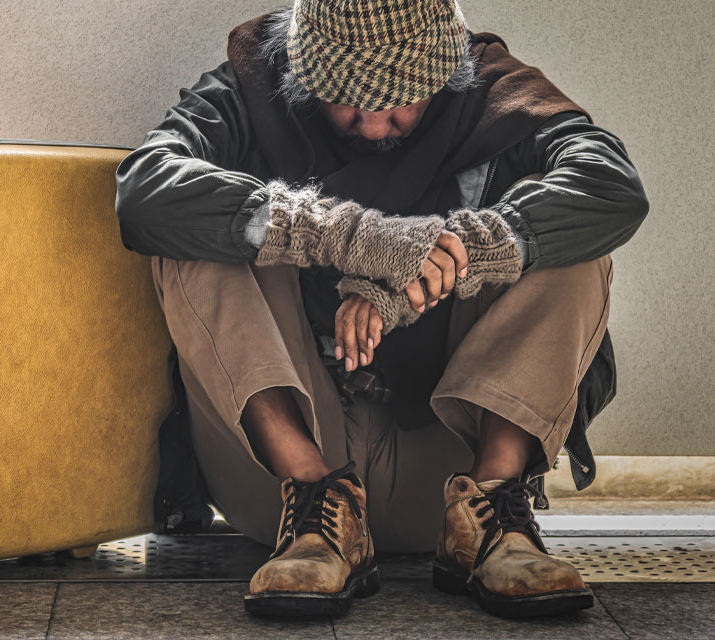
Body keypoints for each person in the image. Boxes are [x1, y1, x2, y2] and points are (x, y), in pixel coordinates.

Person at [114, 0, 649, 620]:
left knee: (572, 242)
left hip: (447, 467)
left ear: (446, 73)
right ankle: (319, 508)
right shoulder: (250, 81)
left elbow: (611, 186)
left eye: (400, 101)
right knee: (194, 233)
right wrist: (340, 235)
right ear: (302, 70)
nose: (372, 125)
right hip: (280, 474)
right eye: (345, 99)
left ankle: (497, 518)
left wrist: (456, 253)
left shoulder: (495, 89)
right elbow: (146, 187)